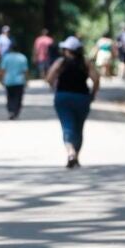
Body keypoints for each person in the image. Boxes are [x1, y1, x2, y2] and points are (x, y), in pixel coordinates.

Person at [45, 36, 100, 168]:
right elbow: (96, 79)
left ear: (66, 50)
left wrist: (55, 89)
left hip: (63, 97)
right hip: (82, 97)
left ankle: (71, 152)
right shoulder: (86, 63)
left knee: (67, 126)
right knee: (79, 127)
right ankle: (76, 156)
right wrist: (92, 94)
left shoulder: (61, 62)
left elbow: (49, 78)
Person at [0, 39, 30, 120]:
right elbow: (25, 71)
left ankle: (11, 110)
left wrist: (1, 79)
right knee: (18, 97)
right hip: (19, 81)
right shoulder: (22, 57)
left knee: (10, 97)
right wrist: (26, 80)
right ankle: (16, 111)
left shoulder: (6, 57)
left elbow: (2, 70)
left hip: (9, 81)